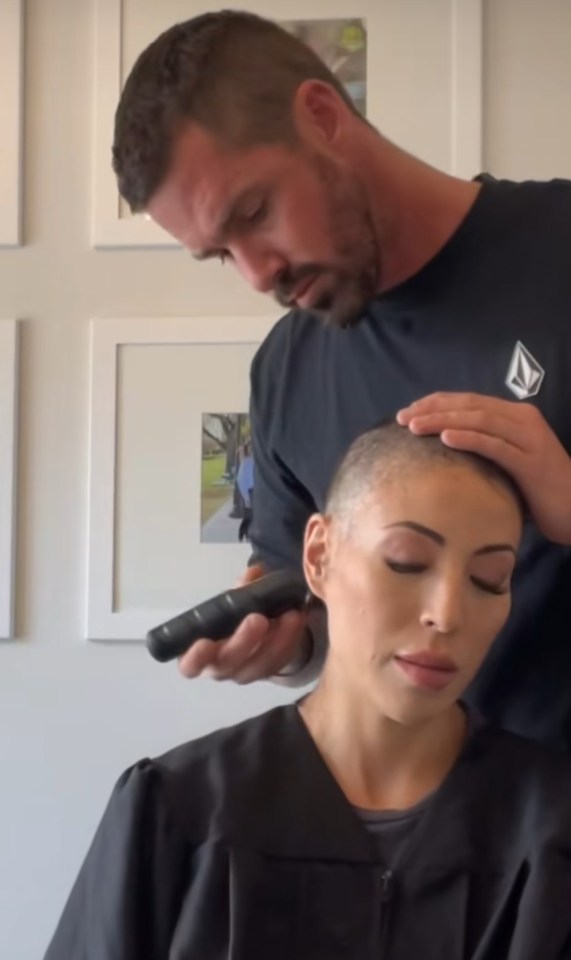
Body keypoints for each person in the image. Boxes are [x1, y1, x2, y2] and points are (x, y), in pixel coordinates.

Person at [111, 12, 571, 750]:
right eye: (220, 254)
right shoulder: (282, 371)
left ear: (321, 116)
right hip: (422, 838)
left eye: (254, 213)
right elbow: (307, 601)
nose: (257, 273)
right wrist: (286, 644)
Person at [43, 424, 571, 959]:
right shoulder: (179, 810)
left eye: (490, 579)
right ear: (319, 556)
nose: (447, 614)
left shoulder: (552, 826)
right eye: (406, 562)